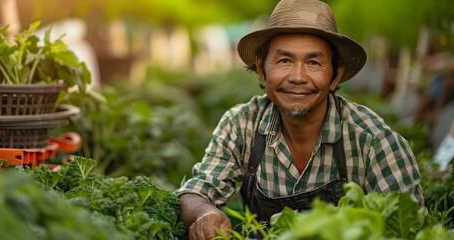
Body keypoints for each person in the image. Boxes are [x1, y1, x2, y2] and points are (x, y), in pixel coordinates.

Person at [176, 0, 424, 239]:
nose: (297, 77)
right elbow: (195, 193)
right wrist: (205, 212)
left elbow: (407, 229)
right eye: (284, 60)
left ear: (335, 76)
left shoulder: (375, 142)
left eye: (313, 62)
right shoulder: (242, 125)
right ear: (262, 70)